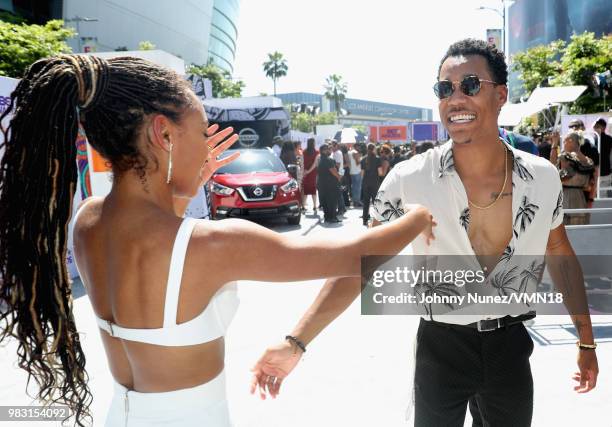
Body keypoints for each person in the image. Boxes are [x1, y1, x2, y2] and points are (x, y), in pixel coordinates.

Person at [0, 54, 437, 427]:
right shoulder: (212, 244)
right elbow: (354, 256)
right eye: (201, 128)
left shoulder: (88, 220)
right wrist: (418, 215)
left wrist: (182, 189)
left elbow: (152, 259)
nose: (208, 143)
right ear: (163, 133)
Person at [251, 39, 598, 427]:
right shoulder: (410, 178)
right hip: (441, 347)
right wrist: (297, 340)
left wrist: (585, 339)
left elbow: (559, 252)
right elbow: (361, 265)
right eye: (444, 88)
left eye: (469, 85)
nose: (455, 98)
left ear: (501, 95)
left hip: (509, 346)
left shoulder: (542, 177)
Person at [550, 132, 595, 225]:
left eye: (565, 141)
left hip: (566, 198)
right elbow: (592, 182)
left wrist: (554, 144)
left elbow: (552, 167)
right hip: (581, 199)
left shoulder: (566, 157)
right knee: (580, 232)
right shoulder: (588, 161)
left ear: (570, 141)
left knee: (566, 232)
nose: (563, 144)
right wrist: (590, 200)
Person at [317, 143, 342, 223]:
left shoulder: (320, 159)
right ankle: (332, 217)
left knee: (325, 202)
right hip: (330, 185)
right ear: (324, 151)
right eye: (328, 149)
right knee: (332, 201)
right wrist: (339, 177)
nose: (330, 150)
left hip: (322, 184)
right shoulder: (328, 160)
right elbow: (333, 171)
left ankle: (327, 217)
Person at [360, 143, 383, 226]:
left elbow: (362, 174)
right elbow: (380, 172)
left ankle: (364, 220)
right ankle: (376, 220)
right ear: (373, 149)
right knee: (375, 202)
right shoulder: (377, 159)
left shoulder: (363, 159)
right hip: (374, 183)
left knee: (366, 202)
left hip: (366, 183)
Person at [593, 118, 612, 197]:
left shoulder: (608, 139)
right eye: (595, 126)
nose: (595, 128)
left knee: (601, 195)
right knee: (597, 195)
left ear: (603, 127)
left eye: (597, 126)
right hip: (597, 173)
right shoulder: (593, 139)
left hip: (604, 173)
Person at [302, 138, 319, 212]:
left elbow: (302, 163)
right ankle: (315, 206)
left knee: (305, 189)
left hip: (305, 172)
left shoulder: (304, 152)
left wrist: (304, 172)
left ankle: (303, 206)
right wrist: (309, 171)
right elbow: (315, 164)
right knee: (313, 189)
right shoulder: (316, 152)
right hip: (313, 173)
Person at [331, 140, 346, 215]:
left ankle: (341, 209)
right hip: (338, 173)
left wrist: (336, 175)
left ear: (336, 145)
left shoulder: (337, 153)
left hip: (338, 174)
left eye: (333, 145)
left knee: (338, 192)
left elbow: (338, 165)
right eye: (331, 145)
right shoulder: (335, 153)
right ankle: (342, 208)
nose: (332, 147)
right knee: (338, 192)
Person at [348, 143, 363, 207]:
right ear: (357, 146)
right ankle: (357, 201)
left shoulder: (349, 152)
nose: (360, 148)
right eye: (359, 147)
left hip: (352, 171)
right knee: (358, 188)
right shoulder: (356, 152)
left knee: (354, 187)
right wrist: (362, 159)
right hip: (357, 171)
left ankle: (355, 201)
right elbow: (357, 163)